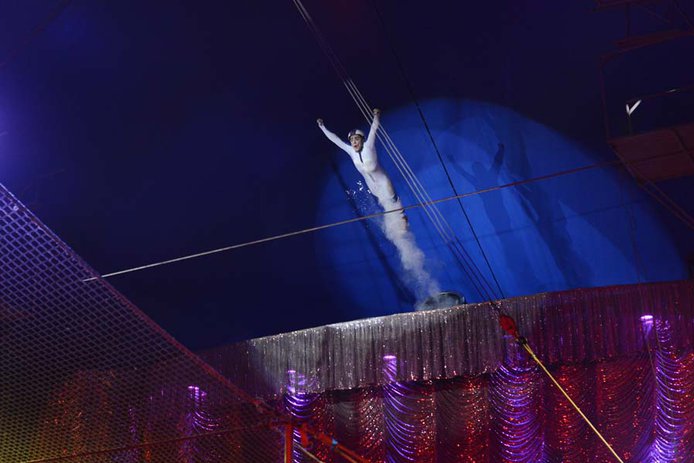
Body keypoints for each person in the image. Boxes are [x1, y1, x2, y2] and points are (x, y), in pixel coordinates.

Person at [317, 108, 404, 221]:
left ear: (362, 140)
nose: (354, 142)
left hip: (383, 182)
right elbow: (335, 139)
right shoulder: (350, 151)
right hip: (372, 186)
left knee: (396, 206)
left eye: (356, 139)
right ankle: (397, 229)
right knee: (387, 209)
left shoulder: (368, 146)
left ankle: (403, 218)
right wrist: (322, 127)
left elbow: (374, 128)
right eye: (352, 140)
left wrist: (376, 115)